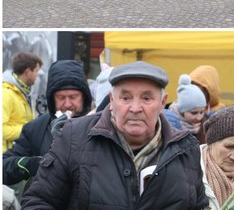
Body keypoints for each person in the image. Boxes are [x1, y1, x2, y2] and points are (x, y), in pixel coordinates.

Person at [21, 61, 209, 209]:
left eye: (146, 98)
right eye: (125, 98)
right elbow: (38, 201)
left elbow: (198, 206)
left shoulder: (187, 149)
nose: (135, 108)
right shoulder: (74, 137)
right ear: (111, 100)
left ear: (163, 102)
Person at [3, 60, 92, 190]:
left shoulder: (100, 126)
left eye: (73, 97)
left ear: (84, 97)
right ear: (51, 99)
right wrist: (30, 164)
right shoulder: (37, 128)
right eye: (61, 98)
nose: (67, 104)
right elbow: (4, 166)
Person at [3, 52, 42, 153]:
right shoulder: (6, 93)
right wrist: (28, 131)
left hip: (17, 153)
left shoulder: (23, 92)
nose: (37, 75)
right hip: (6, 159)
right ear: (28, 71)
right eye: (36, 71)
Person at [164, 73, 207, 143]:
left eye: (202, 112)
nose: (199, 117)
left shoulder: (206, 125)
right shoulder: (167, 125)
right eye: (194, 113)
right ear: (182, 111)